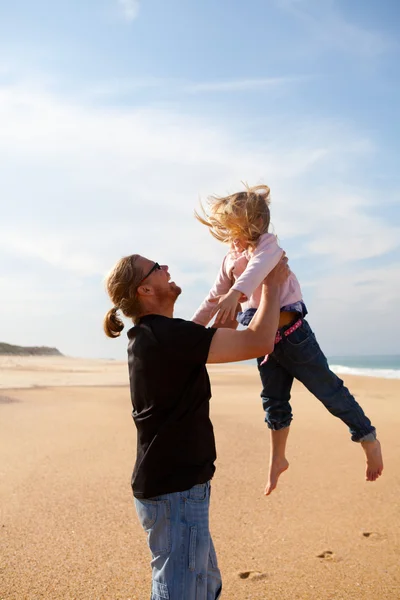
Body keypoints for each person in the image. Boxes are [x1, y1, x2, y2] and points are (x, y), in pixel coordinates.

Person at [103, 252, 289, 600]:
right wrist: (273, 284)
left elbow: (222, 336)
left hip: (176, 489)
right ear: (145, 288)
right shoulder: (165, 336)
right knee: (183, 592)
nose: (167, 268)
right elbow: (258, 342)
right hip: (175, 491)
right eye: (157, 268)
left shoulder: (156, 336)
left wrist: (238, 288)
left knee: (204, 587)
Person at [192, 183, 383, 496]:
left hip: (295, 338)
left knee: (329, 390)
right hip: (265, 343)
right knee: (274, 402)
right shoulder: (231, 258)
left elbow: (258, 270)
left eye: (229, 226)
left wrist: (237, 292)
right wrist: (190, 330)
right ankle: (278, 458)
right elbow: (213, 299)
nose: (226, 234)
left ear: (247, 224)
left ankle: (367, 437)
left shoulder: (268, 247)